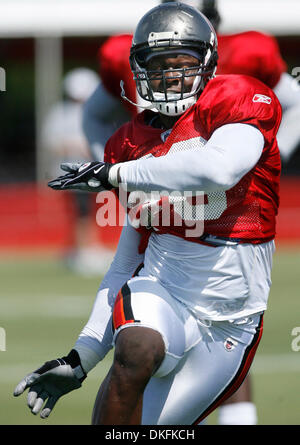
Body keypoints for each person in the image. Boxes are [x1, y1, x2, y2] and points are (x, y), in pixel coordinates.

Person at [14, 3, 282, 425]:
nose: (172, 76)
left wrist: (115, 174)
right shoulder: (129, 143)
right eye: (160, 66)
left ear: (208, 63)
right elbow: (126, 260)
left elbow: (217, 169)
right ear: (141, 71)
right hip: (164, 288)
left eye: (183, 64)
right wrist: (82, 357)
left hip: (232, 321)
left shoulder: (239, 98)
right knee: (136, 347)